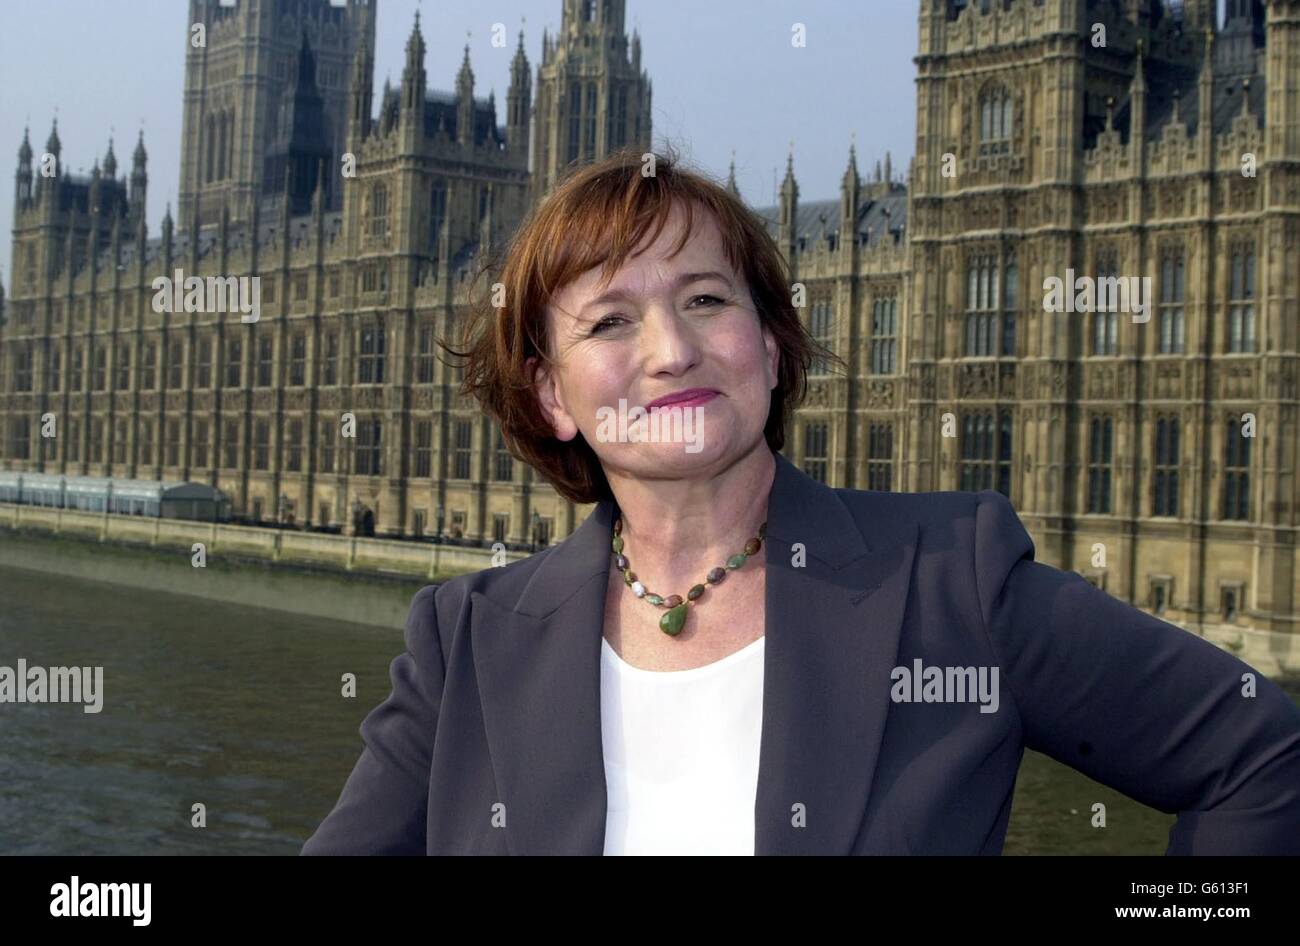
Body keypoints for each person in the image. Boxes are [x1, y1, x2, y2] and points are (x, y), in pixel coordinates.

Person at [302, 147, 1300, 855]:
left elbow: (1261, 756)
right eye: (610, 319)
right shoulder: (464, 644)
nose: (670, 349)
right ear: (550, 395)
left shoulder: (956, 589)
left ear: (771, 347)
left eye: (706, 299)